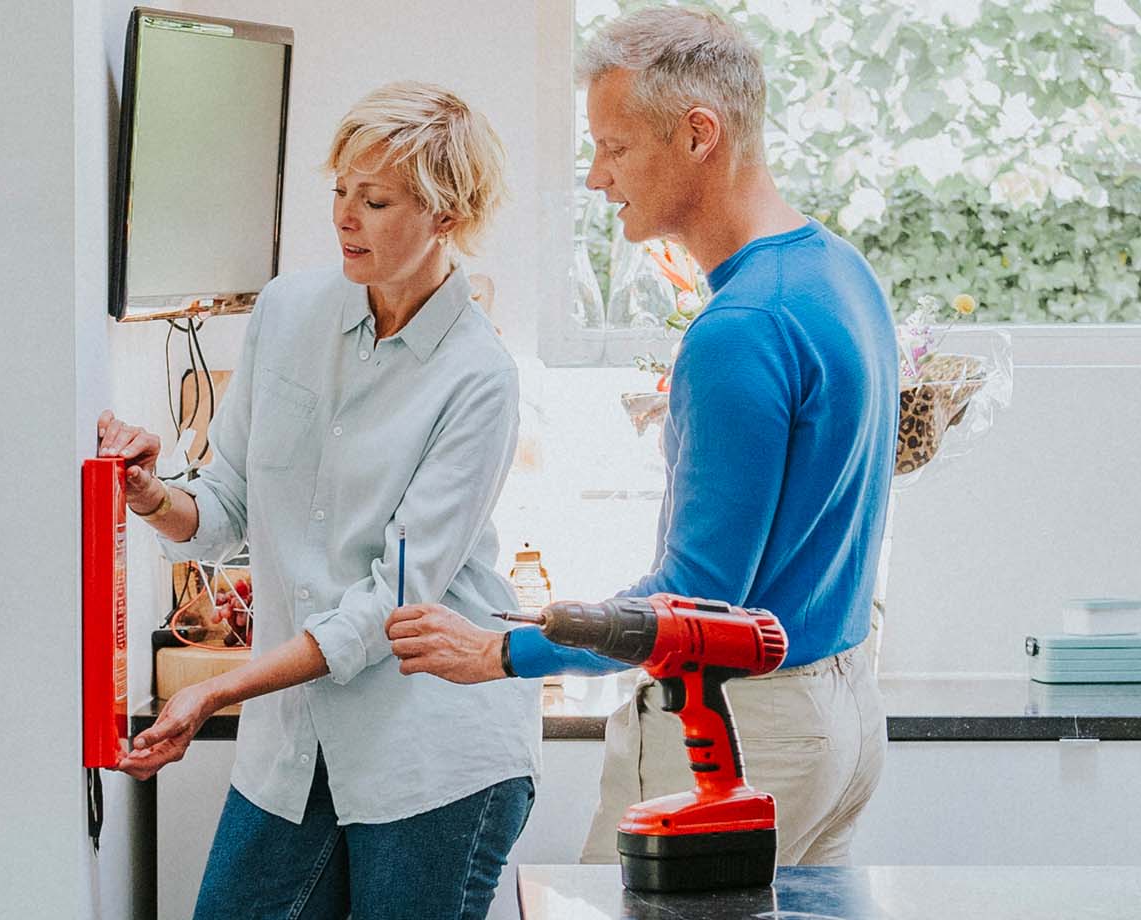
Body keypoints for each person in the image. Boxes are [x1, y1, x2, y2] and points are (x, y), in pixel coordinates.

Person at [384, 6, 898, 868]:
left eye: (615, 147)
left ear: (700, 134)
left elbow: (696, 596)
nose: (597, 177)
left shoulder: (740, 329)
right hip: (838, 716)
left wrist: (501, 650)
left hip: (741, 731)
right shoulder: (838, 272)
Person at [97, 81, 537, 920]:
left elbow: (393, 605)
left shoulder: (477, 378)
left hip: (431, 756)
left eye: (374, 201)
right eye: (339, 190)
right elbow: (223, 505)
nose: (344, 216)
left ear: (445, 217)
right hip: (293, 745)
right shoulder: (286, 311)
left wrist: (220, 690)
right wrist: (153, 494)